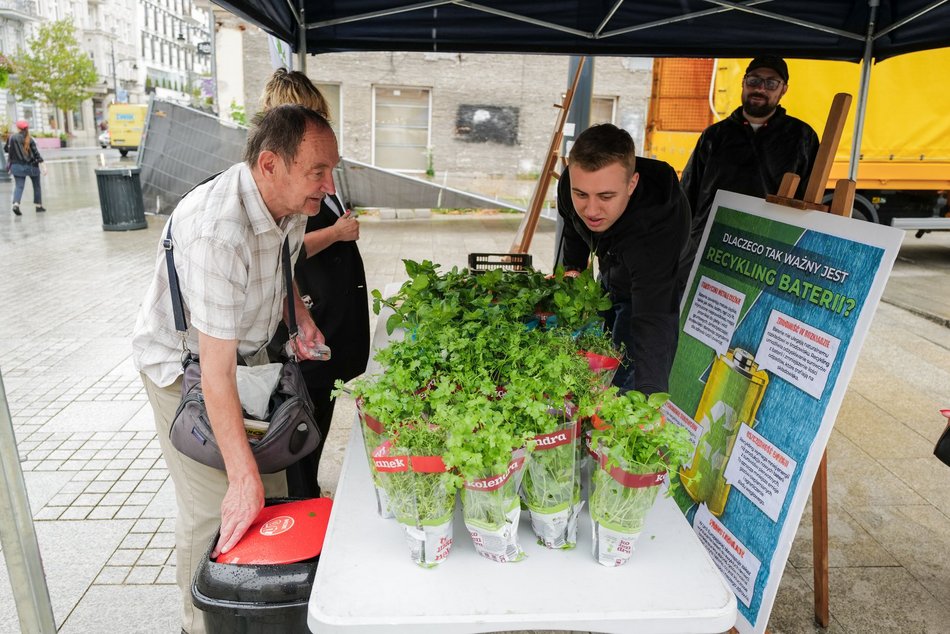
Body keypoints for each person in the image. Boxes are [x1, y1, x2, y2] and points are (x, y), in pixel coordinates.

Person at [131, 104, 338, 634]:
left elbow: (282, 264)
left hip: (245, 359)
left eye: (332, 169)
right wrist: (242, 476)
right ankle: (198, 624)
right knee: (215, 507)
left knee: (265, 494)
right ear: (270, 164)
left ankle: (255, 614)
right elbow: (215, 372)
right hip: (187, 370)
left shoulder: (291, 202)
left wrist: (299, 314)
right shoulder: (218, 231)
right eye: (318, 171)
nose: (329, 185)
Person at [260, 68, 370, 498]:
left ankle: (307, 494)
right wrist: (337, 233)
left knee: (319, 418)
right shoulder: (277, 185)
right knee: (300, 426)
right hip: (309, 317)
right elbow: (284, 250)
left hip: (326, 314)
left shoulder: (314, 173)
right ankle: (300, 501)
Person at [557, 123, 695, 395]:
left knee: (626, 364)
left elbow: (654, 318)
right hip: (612, 261)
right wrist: (573, 268)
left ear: (632, 184)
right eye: (581, 194)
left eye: (606, 196)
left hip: (656, 278)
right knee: (598, 345)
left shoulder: (657, 222)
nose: (591, 210)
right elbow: (573, 226)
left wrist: (648, 397)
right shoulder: (568, 185)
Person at [681, 56, 820, 244]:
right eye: (754, 80)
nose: (760, 89)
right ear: (743, 82)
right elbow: (688, 191)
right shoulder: (714, 136)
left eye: (771, 83)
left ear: (784, 89)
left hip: (767, 246)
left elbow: (810, 200)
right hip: (711, 242)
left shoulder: (801, 137)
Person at [4, 119, 47, 216]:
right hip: (32, 167)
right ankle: (38, 206)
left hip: (16, 167)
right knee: (36, 186)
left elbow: (6, 149)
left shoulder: (11, 138)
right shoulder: (30, 139)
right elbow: (36, 154)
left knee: (19, 186)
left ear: (18, 128)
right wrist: (44, 166)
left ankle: (16, 204)